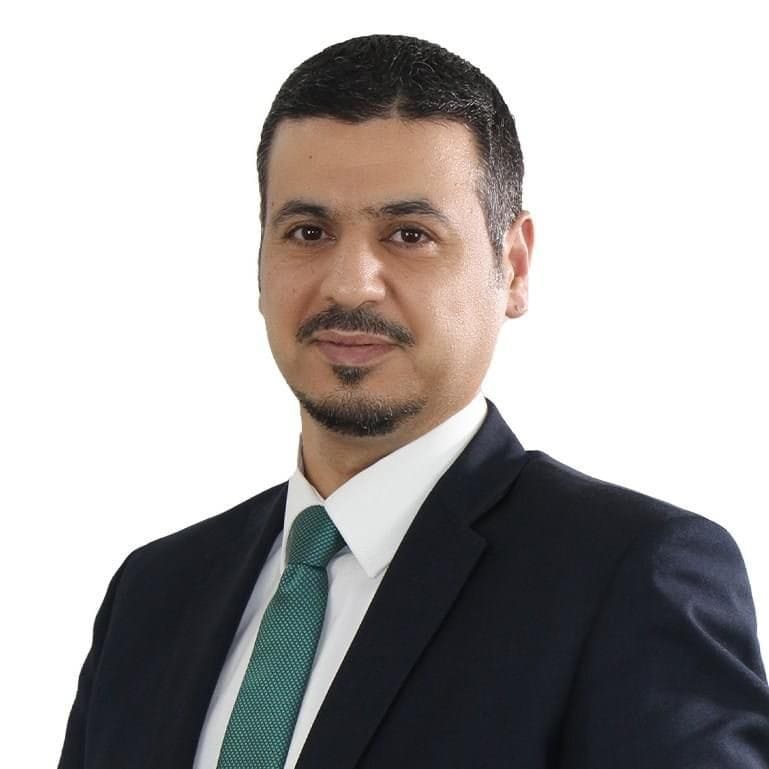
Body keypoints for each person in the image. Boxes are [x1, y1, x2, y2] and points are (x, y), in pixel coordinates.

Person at [58, 34, 769, 769]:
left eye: (409, 234)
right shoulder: (153, 596)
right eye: (308, 231)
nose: (349, 284)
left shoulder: (626, 576)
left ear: (513, 266)